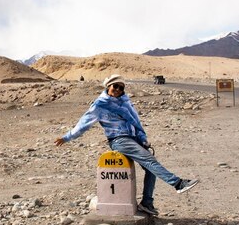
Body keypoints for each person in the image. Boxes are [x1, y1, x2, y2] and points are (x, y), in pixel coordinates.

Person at [55, 74, 199, 215]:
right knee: (150, 160)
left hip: (133, 138)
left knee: (150, 168)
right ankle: (178, 184)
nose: (117, 89)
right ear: (108, 86)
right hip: (119, 140)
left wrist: (142, 138)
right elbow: (83, 124)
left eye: (121, 88)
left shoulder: (125, 101)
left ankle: (147, 203)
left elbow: (135, 120)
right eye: (115, 86)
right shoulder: (100, 105)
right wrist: (66, 137)